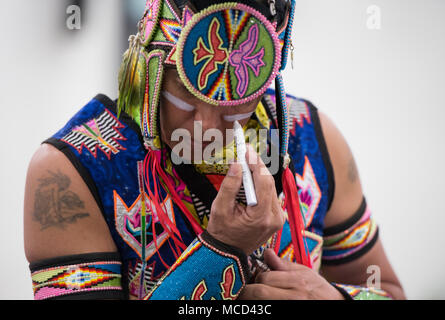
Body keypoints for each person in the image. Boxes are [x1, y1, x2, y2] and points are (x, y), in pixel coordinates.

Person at [24, 0, 405, 300]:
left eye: (234, 106)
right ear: (150, 67)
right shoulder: (72, 171)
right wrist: (221, 250)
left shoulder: (312, 139)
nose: (206, 128)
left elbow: (390, 293)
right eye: (185, 98)